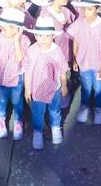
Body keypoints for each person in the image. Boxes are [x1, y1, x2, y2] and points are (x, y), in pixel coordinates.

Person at [23, 15, 70, 150]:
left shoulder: (56, 50)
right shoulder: (31, 51)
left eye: (48, 36)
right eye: (40, 36)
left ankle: (55, 128)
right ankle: (38, 132)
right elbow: (27, 70)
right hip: (36, 88)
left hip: (54, 87)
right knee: (38, 112)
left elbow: (61, 70)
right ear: (36, 36)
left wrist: (64, 85)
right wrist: (27, 88)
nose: (44, 39)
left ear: (52, 36)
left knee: (54, 110)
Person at [68, 0, 101, 125]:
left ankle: (99, 108)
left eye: (89, 9)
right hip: (83, 63)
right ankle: (84, 107)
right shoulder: (80, 22)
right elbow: (75, 40)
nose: (85, 12)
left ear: (97, 9)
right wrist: (75, 59)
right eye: (84, 9)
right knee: (86, 87)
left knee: (99, 88)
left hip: (98, 64)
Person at [0, 8, 31, 140]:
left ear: (16, 28)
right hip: (2, 74)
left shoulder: (24, 40)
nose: (1, 28)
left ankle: (18, 121)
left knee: (17, 100)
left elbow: (20, 58)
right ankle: (1, 120)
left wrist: (16, 39)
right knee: (2, 100)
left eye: (5, 27)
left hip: (17, 76)